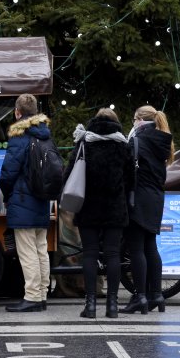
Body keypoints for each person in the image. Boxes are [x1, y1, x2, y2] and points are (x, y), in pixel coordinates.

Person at [64, 108, 135, 319]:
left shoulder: (84, 142)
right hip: (114, 207)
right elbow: (131, 178)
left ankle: (91, 305)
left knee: (89, 254)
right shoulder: (122, 145)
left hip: (88, 207)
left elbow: (69, 174)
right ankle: (112, 305)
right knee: (113, 254)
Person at [0, 93, 52, 313]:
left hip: (22, 200)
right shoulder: (46, 135)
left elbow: (9, 172)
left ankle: (31, 296)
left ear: (17, 112)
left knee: (28, 251)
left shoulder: (19, 135)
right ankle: (41, 295)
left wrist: (5, 193)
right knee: (41, 249)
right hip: (42, 199)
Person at [121, 105, 174, 314]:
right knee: (150, 246)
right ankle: (157, 295)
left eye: (134, 119)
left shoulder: (138, 141)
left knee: (136, 249)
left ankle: (140, 296)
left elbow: (127, 171)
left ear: (139, 121)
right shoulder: (162, 141)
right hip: (155, 198)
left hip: (138, 198)